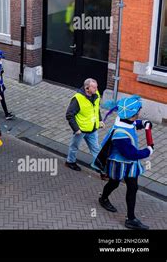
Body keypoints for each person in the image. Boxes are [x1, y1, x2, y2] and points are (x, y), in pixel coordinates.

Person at [97, 95, 154, 230]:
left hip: (129, 164)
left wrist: (143, 123)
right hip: (120, 164)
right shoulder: (120, 134)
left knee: (132, 188)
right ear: (133, 113)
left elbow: (133, 124)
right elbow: (131, 154)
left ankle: (131, 219)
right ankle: (103, 198)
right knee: (114, 183)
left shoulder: (124, 119)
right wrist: (148, 151)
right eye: (139, 111)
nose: (140, 113)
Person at [65, 78, 105, 173]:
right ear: (87, 88)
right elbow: (69, 115)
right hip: (81, 130)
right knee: (74, 147)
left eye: (97, 87)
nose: (96, 89)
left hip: (92, 130)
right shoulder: (77, 99)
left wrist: (99, 120)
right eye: (94, 87)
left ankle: (102, 170)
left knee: (96, 150)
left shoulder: (96, 95)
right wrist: (76, 129)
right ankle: (70, 162)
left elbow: (96, 109)